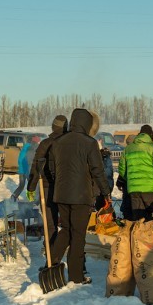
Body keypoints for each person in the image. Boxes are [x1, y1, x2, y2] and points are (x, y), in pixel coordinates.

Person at [48, 108, 110, 284]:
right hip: (81, 196)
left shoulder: (58, 142)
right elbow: (97, 171)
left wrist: (61, 184)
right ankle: (76, 276)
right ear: (87, 124)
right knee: (78, 234)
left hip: (61, 194)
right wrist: (106, 192)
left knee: (66, 230)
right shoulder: (89, 143)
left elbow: (53, 169)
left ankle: (51, 262)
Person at [27, 115, 68, 245]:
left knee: (50, 222)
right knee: (68, 222)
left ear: (53, 127)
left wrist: (31, 187)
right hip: (67, 187)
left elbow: (36, 166)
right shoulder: (71, 143)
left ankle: (50, 247)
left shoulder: (45, 143)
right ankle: (63, 247)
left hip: (47, 186)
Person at [117, 124, 153, 221]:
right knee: (151, 221)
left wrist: (132, 181)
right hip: (151, 191)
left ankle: (137, 236)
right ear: (151, 135)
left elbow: (122, 171)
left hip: (134, 191)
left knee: (138, 221)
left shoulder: (128, 149)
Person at [12, 136, 40, 201]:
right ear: (36, 141)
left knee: (21, 185)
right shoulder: (31, 148)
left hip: (21, 170)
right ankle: (31, 199)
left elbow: (20, 159)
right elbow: (28, 160)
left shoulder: (25, 147)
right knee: (31, 186)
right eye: (38, 141)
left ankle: (14, 196)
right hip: (27, 170)